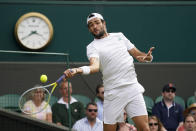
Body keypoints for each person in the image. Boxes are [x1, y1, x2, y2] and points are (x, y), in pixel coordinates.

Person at [64, 13, 154, 131]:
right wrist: (78, 70)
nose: (94, 26)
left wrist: (148, 58)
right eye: (91, 25)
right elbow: (95, 66)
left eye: (97, 23)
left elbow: (138, 55)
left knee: (145, 129)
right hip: (113, 93)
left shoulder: (120, 36)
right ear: (89, 29)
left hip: (132, 88)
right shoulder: (92, 47)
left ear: (103, 23)